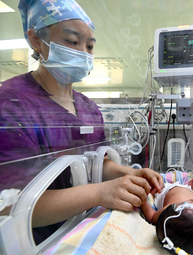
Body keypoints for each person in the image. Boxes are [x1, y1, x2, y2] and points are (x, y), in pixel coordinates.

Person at [0, 0, 163, 245]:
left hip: (84, 228)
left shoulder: (88, 108)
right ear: (35, 40)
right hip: (40, 242)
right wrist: (99, 193)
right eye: (72, 42)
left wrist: (126, 173)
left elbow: (94, 160)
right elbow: (10, 206)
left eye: (89, 45)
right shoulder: (11, 104)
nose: (83, 53)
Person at [140, 179, 193, 254]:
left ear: (180, 207)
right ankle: (189, 188)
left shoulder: (170, 210)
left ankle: (188, 188)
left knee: (159, 188)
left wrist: (143, 201)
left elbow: (152, 216)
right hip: (190, 193)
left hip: (168, 190)